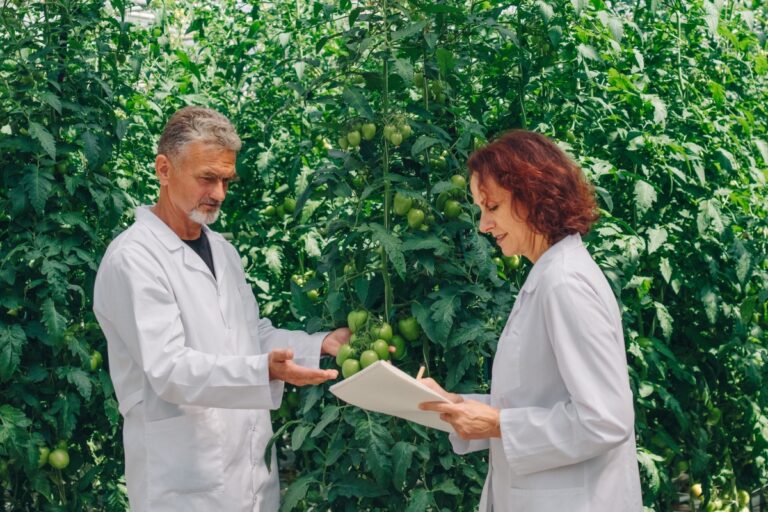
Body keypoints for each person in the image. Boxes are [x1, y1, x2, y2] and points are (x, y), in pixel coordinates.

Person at [93, 106, 350, 511]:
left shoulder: (222, 251)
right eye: (207, 178)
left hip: (249, 477)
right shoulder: (134, 259)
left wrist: (320, 344)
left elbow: (250, 335)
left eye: (226, 180)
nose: (219, 194)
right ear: (164, 169)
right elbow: (169, 368)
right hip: (183, 485)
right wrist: (263, 370)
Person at [419, 130, 643, 511]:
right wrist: (458, 405)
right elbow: (537, 399)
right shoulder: (551, 274)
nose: (483, 225)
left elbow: (607, 418)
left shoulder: (564, 283)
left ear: (533, 196)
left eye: (492, 207)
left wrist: (498, 424)